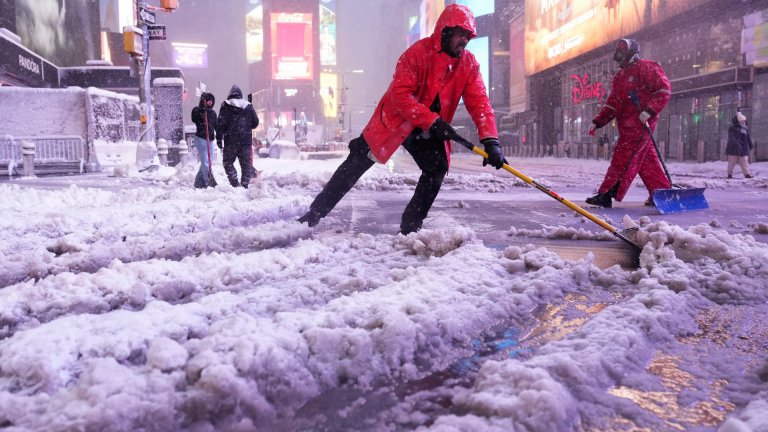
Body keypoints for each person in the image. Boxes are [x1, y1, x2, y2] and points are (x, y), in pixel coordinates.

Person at [298, 4, 506, 234]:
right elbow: (400, 96)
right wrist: (432, 120)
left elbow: (480, 104)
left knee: (436, 169)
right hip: (395, 121)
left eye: (468, 36)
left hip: (428, 130)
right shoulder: (416, 53)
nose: (464, 40)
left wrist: (491, 141)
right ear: (445, 31)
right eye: (460, 34)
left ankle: (410, 227)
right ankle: (315, 214)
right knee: (356, 163)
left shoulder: (468, 65)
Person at [586, 38, 672, 208]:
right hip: (626, 125)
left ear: (631, 53)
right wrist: (598, 121)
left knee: (624, 156)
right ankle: (661, 192)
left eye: (622, 54)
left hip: (640, 123)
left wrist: (649, 111)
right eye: (617, 55)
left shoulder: (648, 67)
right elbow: (613, 103)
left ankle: (606, 193)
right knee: (646, 160)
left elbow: (664, 90)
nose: (619, 58)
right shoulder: (620, 77)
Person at [216, 85, 260, 188]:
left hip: (230, 141)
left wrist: (219, 138)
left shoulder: (225, 105)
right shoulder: (248, 105)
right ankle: (244, 185)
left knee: (228, 162)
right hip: (245, 141)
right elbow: (256, 123)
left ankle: (234, 183)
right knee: (246, 165)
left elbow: (221, 123)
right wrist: (247, 126)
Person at [191, 92, 218, 188]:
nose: (210, 103)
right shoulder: (197, 110)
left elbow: (216, 126)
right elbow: (194, 118)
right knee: (205, 161)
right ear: (204, 101)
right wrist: (202, 111)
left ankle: (199, 182)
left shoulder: (212, 113)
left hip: (210, 140)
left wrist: (219, 136)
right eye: (208, 101)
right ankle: (209, 181)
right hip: (201, 139)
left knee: (209, 162)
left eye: (211, 101)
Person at [726, 112, 754, 179]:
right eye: (742, 121)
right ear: (738, 121)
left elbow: (747, 137)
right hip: (733, 148)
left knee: (744, 162)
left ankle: (747, 174)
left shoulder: (745, 129)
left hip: (743, 148)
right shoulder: (732, 129)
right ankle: (729, 174)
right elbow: (732, 138)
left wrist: (750, 144)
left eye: (744, 121)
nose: (743, 122)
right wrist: (737, 144)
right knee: (732, 162)